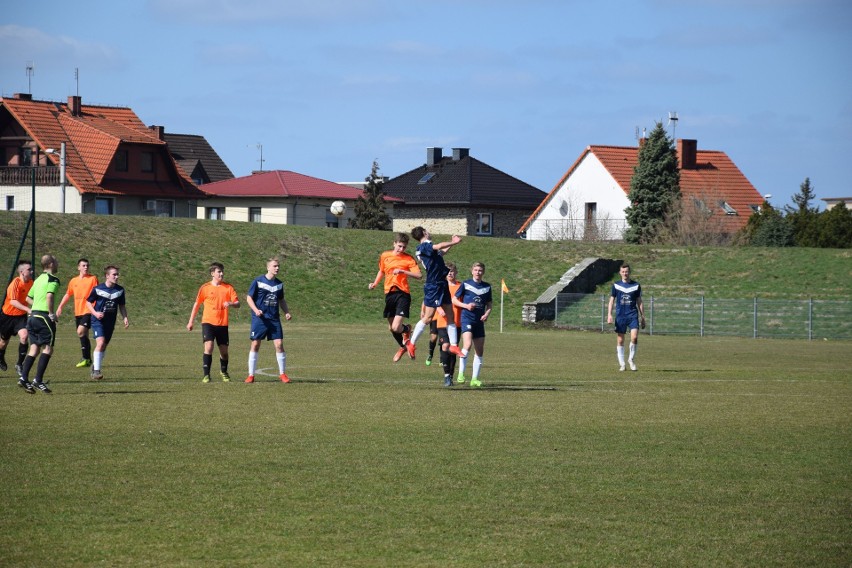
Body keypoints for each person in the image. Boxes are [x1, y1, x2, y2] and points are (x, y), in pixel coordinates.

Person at [409, 227, 463, 360]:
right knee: (428, 318)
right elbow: (439, 246)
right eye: (427, 231)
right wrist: (454, 242)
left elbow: (440, 252)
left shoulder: (427, 249)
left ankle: (454, 345)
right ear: (424, 233)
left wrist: (450, 244)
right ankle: (411, 343)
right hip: (434, 285)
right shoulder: (424, 245)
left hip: (441, 283)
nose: (429, 232)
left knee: (450, 315)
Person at [368, 233, 421, 362]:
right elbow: (381, 270)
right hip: (389, 293)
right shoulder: (385, 255)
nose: (401, 249)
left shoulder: (408, 259)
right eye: (399, 246)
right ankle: (403, 346)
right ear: (394, 243)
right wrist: (375, 283)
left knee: (397, 327)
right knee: (391, 328)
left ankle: (407, 329)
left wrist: (403, 271)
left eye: (404, 247)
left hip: (403, 294)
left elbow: (419, 275)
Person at [187, 262, 240, 383]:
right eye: (219, 272)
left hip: (222, 324)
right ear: (212, 273)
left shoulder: (228, 288)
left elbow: (238, 303)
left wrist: (231, 303)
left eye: (222, 271)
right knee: (209, 346)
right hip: (208, 322)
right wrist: (191, 322)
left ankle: (224, 371)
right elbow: (197, 304)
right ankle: (206, 375)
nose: (221, 274)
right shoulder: (205, 288)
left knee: (224, 352)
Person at [245, 257, 292, 383]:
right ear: (268, 267)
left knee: (279, 344)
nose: (277, 268)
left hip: (274, 319)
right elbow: (249, 298)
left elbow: (281, 300)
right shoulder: (258, 281)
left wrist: (286, 312)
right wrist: (256, 310)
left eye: (278, 266)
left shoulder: (279, 284)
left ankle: (282, 374)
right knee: (255, 344)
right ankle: (251, 375)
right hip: (260, 319)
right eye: (275, 266)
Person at [19, 255, 61, 394]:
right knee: (48, 348)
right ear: (50, 264)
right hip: (43, 317)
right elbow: (49, 296)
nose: (57, 263)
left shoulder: (37, 280)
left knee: (34, 348)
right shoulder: (53, 279)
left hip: (32, 317)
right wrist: (50, 313)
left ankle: (24, 378)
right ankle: (38, 380)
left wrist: (37, 306)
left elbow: (28, 298)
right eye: (55, 261)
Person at [452, 262, 493, 388]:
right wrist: (466, 306)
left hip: (479, 321)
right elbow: (454, 299)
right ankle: (461, 374)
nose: (478, 272)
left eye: (480, 270)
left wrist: (486, 314)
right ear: (472, 271)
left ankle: (474, 378)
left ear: (483, 272)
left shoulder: (487, 287)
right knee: (467, 345)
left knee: (479, 350)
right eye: (475, 270)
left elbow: (489, 304)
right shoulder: (466, 284)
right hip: (467, 319)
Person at [87, 265, 130, 381]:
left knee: (104, 346)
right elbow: (88, 303)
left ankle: (95, 366)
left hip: (110, 322)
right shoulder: (98, 289)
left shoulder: (120, 290)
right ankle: (96, 371)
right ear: (107, 276)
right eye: (114, 274)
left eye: (117, 274)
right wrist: (95, 313)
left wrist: (125, 317)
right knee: (100, 343)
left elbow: (122, 306)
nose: (117, 276)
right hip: (98, 321)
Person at [56, 258, 99, 368]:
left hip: (89, 310)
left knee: (80, 331)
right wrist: (60, 307)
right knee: (83, 335)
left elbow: (97, 293)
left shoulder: (93, 279)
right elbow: (67, 294)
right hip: (78, 312)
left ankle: (85, 358)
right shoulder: (73, 281)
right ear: (78, 267)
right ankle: (88, 359)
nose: (86, 267)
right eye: (83, 265)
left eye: (87, 265)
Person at [607, 263, 645, 371]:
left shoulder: (636, 285)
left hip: (632, 315)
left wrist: (643, 317)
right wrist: (609, 314)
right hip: (620, 316)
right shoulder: (616, 285)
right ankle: (622, 364)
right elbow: (611, 300)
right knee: (620, 340)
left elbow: (639, 301)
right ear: (620, 273)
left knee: (634, 337)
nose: (625, 273)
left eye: (627, 271)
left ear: (629, 272)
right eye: (623, 272)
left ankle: (631, 360)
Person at [0, 260, 34, 378]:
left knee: (24, 336)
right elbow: (13, 302)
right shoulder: (15, 283)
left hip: (20, 317)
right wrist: (28, 309)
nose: (31, 271)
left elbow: (32, 297)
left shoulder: (31, 283)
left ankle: (19, 364)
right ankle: (1, 356)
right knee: (3, 342)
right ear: (22, 272)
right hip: (7, 317)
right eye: (29, 270)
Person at [434, 262, 463, 387]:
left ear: (456, 273)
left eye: (452, 271)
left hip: (456, 323)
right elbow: (433, 299)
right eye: (448, 271)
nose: (450, 273)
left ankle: (451, 376)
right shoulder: (441, 285)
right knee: (445, 346)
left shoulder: (461, 286)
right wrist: (438, 308)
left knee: (452, 349)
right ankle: (446, 376)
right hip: (442, 322)